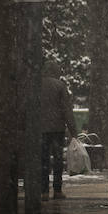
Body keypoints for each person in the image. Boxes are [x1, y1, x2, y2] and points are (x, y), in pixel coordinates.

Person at [40, 64, 78, 200]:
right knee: (57, 160)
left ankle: (43, 191)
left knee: (43, 159)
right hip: (57, 128)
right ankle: (57, 190)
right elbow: (66, 109)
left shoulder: (37, 85)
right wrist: (73, 130)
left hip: (41, 128)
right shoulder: (60, 86)